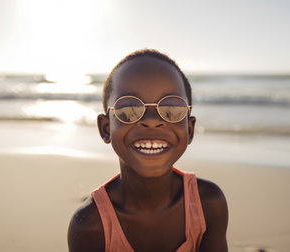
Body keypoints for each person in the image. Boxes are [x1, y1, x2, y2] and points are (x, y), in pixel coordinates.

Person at [68, 49, 228, 252]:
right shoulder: (90, 225)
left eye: (172, 109)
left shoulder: (209, 204)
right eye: (129, 109)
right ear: (106, 128)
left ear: (189, 129)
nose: (151, 120)